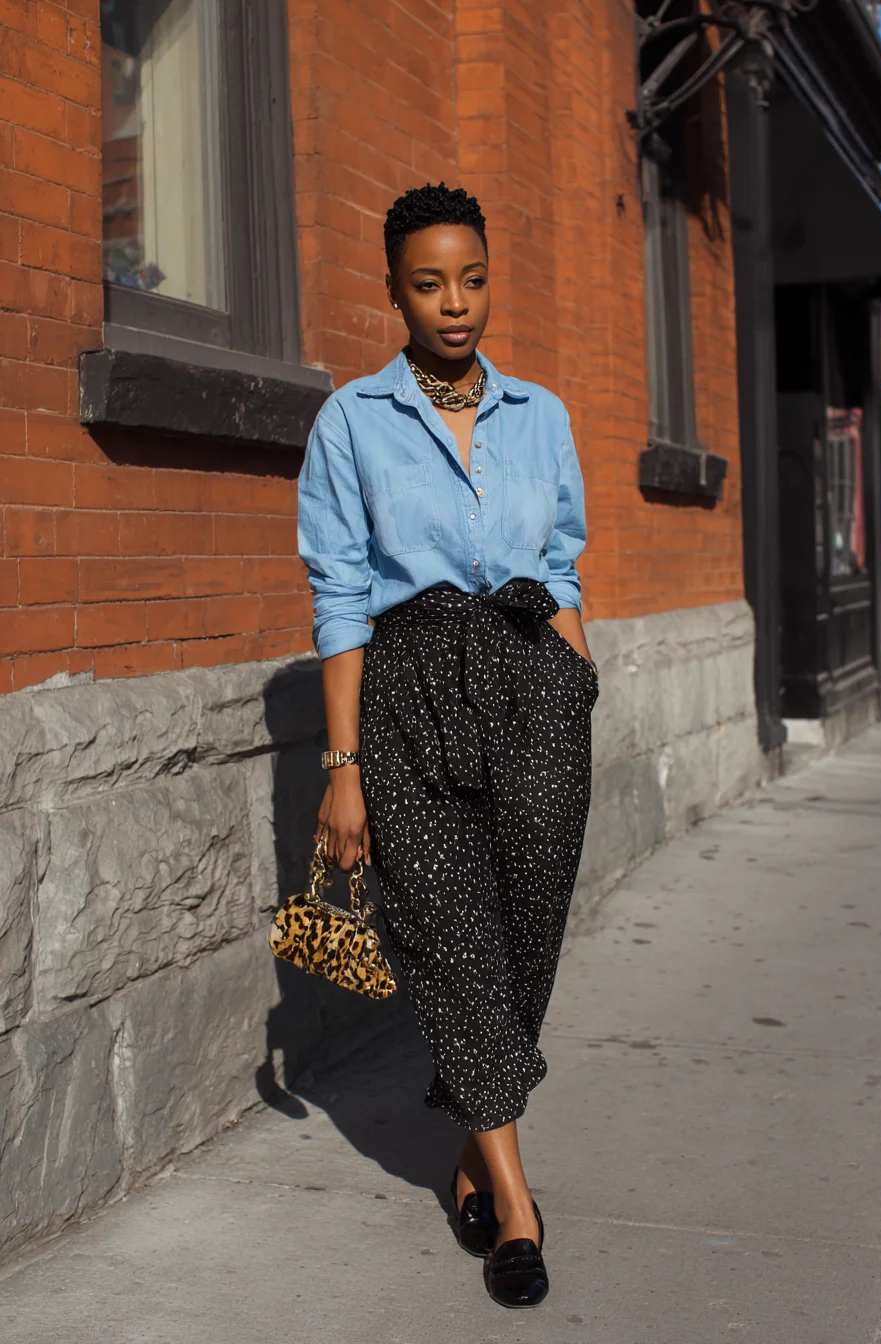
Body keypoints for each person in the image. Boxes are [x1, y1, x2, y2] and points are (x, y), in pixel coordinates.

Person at [297, 182, 598, 1309]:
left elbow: (560, 566)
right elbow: (339, 599)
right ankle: (514, 1205)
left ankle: (476, 1147)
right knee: (451, 941)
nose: (455, 303)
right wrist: (342, 770)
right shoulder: (350, 422)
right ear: (394, 293)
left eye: (471, 279)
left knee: (525, 937)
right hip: (406, 692)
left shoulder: (541, 415)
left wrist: (578, 686)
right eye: (429, 284)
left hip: (533, 685)